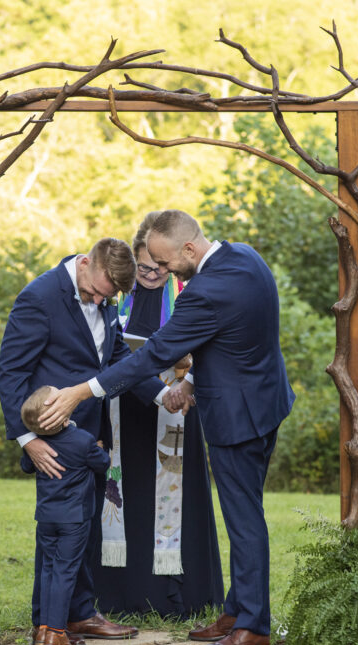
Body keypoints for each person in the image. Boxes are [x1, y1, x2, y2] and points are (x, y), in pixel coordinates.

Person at [39, 210, 296, 645]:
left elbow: (155, 353)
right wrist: (191, 385)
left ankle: (254, 627)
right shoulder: (246, 258)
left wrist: (84, 389)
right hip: (266, 402)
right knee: (245, 515)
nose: (162, 271)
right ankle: (237, 611)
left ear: (189, 250)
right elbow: (234, 342)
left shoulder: (205, 292)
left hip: (237, 419)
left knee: (244, 522)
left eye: (165, 261)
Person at [0, 237, 162, 643]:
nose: (96, 300)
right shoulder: (38, 297)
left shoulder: (104, 298)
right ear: (86, 263)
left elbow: (118, 357)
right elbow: (10, 372)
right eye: (93, 292)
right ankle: (50, 622)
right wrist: (26, 439)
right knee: (60, 534)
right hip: (52, 440)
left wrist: (159, 393)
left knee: (84, 531)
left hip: (91, 436)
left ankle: (79, 613)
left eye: (105, 297)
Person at [91, 213, 225, 617]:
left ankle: (179, 596)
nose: (150, 274)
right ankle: (121, 594)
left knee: (175, 499)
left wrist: (184, 360)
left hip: (177, 408)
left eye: (157, 267)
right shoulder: (115, 297)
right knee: (124, 495)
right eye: (143, 267)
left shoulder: (188, 293)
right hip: (125, 410)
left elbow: (204, 346)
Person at [18, 387, 110, 645]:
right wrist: (99, 447)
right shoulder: (82, 440)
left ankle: (44, 628)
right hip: (75, 519)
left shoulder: (38, 445)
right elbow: (102, 463)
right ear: (58, 416)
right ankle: (57, 633)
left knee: (47, 570)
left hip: (46, 518)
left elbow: (26, 466)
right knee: (65, 572)